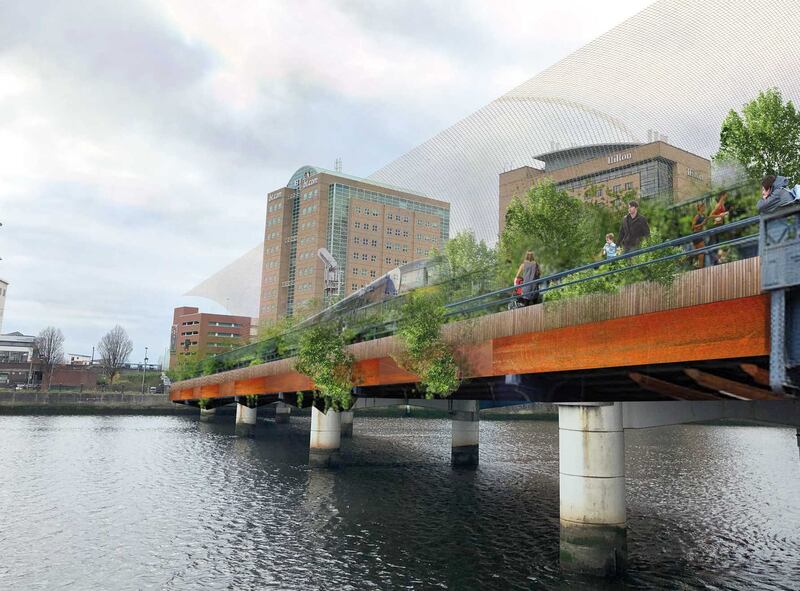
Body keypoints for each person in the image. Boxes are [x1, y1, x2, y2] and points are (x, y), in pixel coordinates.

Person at [691, 203, 707, 268]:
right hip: (696, 234)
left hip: (700, 234)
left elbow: (702, 225)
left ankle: (696, 265)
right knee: (702, 251)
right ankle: (701, 267)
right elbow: (692, 227)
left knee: (697, 252)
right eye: (702, 207)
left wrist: (704, 223)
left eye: (704, 206)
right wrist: (701, 224)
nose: (704, 208)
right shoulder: (697, 216)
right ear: (699, 208)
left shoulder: (703, 215)